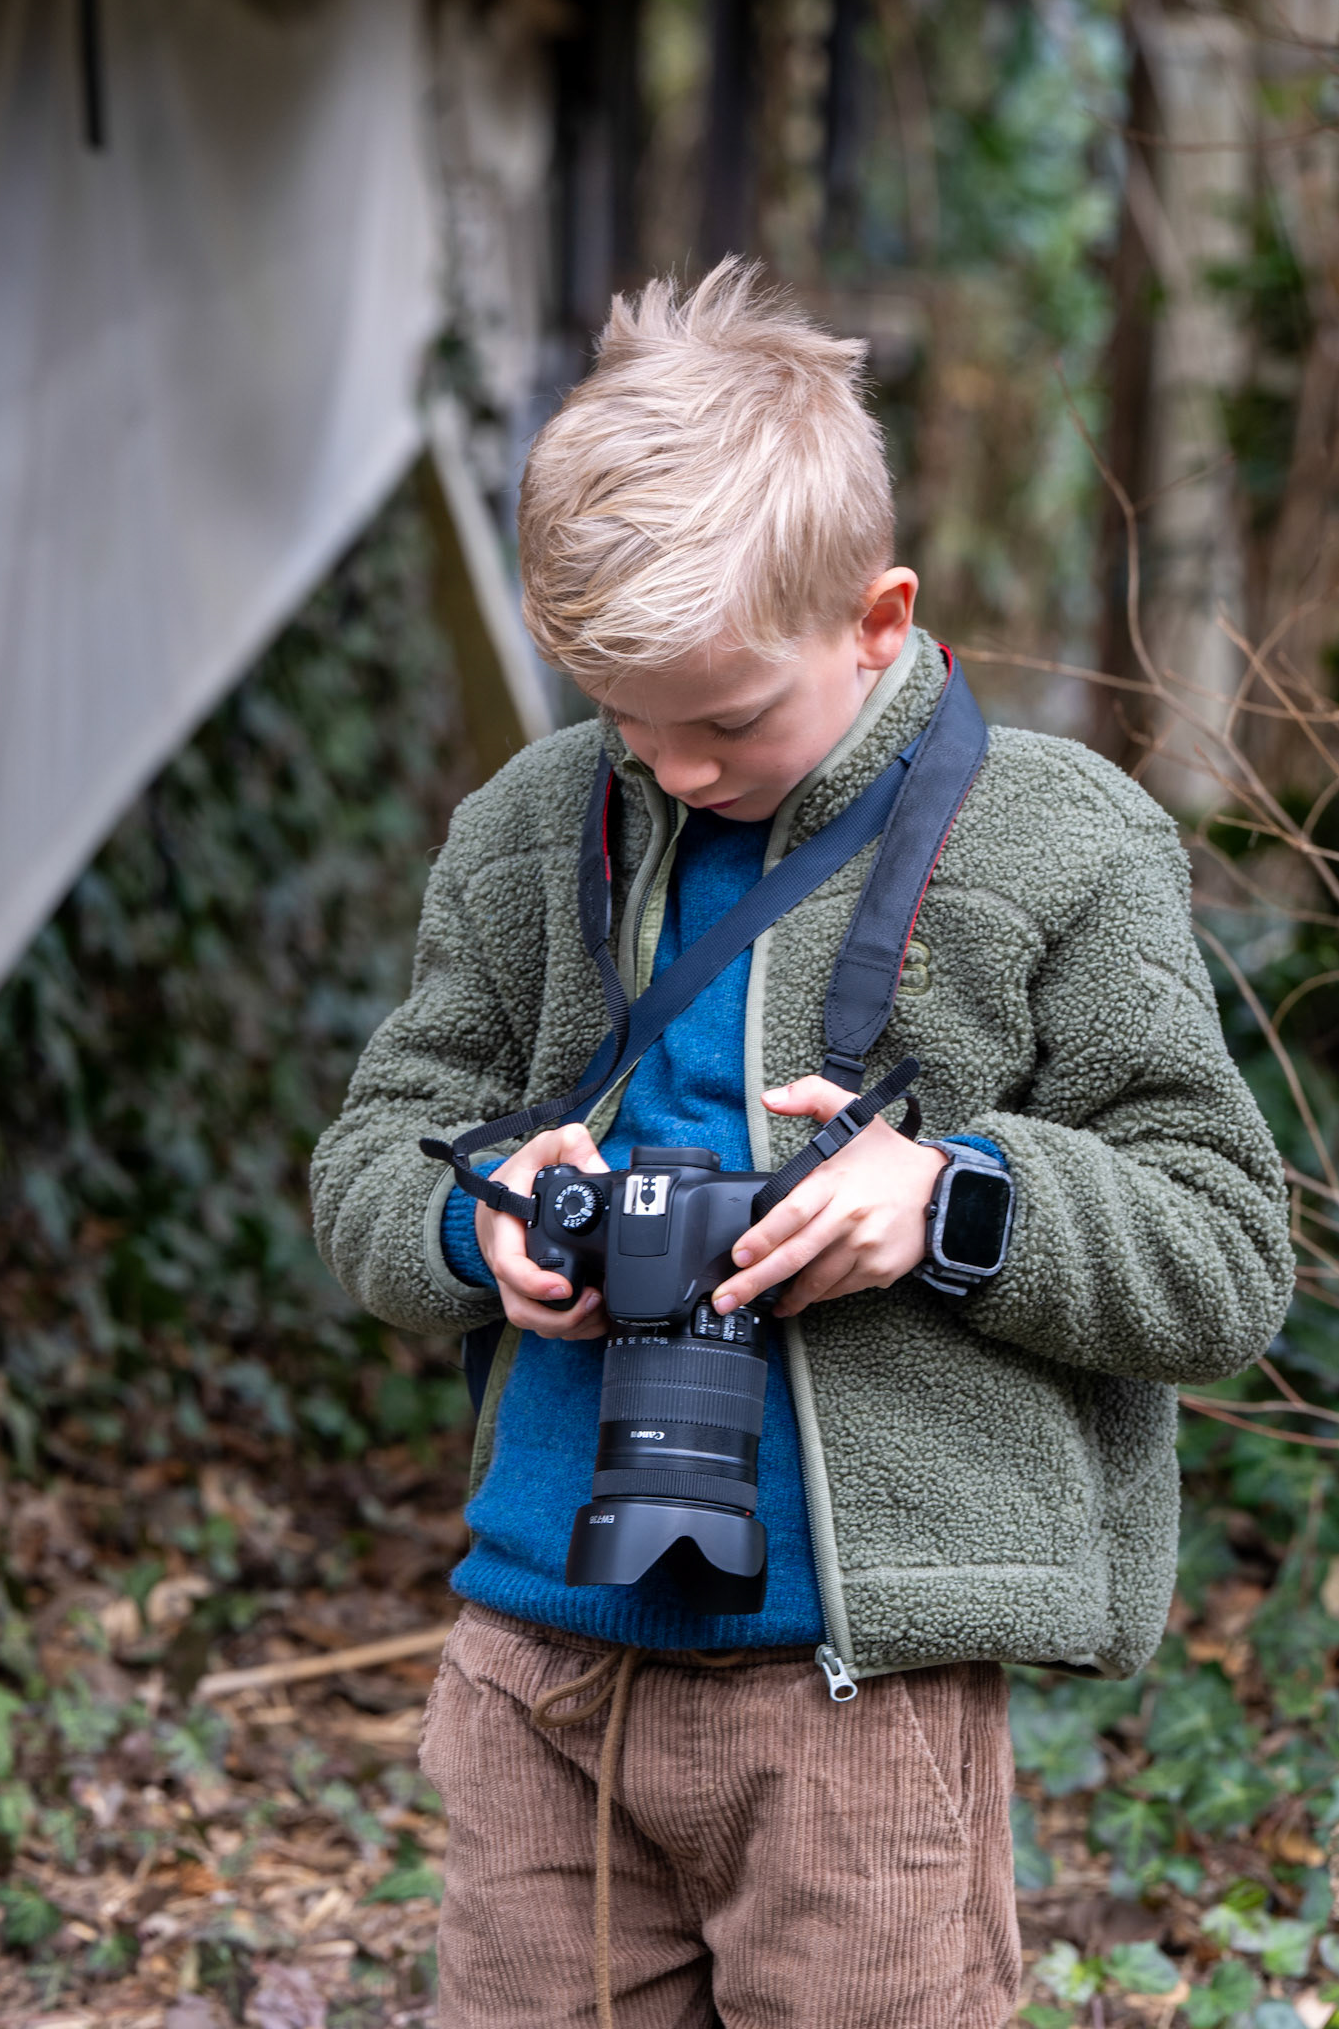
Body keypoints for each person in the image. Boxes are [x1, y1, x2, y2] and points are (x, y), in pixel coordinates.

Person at [309, 262, 1293, 2029]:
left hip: (859, 1688)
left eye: (725, 719)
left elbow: (1222, 1254)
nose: (673, 770)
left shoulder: (1059, 844)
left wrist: (953, 1204)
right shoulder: (534, 828)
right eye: (621, 716)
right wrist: (482, 1219)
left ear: (874, 615)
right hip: (536, 1655)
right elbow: (379, 1146)